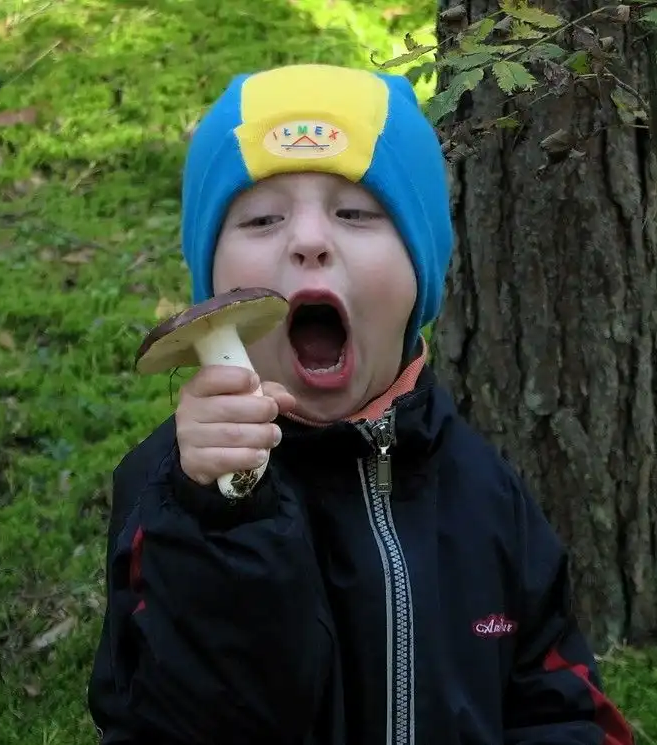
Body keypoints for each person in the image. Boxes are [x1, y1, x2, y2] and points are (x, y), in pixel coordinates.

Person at [87, 63, 634, 745]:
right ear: (213, 288)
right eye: (261, 218)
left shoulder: (488, 496)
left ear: (419, 272)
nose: (309, 241)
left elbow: (558, 708)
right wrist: (221, 519)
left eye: (354, 213)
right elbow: (173, 719)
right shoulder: (168, 497)